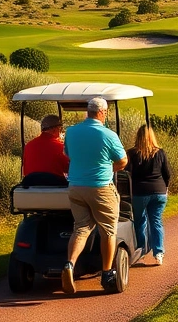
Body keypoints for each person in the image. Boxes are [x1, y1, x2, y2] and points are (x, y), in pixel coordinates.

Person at [61, 97, 127, 294]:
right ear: (102, 113)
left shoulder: (71, 132)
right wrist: (109, 168)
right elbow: (123, 161)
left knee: (81, 228)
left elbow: (68, 154)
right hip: (100, 188)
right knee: (108, 230)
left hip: (75, 187)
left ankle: (70, 265)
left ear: (87, 112)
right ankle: (107, 273)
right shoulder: (108, 135)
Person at [126, 124, 171, 265]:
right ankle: (159, 253)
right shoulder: (160, 152)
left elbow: (128, 174)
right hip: (159, 191)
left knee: (139, 222)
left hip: (139, 192)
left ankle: (141, 251)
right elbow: (167, 173)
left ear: (138, 137)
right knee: (156, 221)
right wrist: (166, 187)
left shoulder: (132, 153)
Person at [22, 114, 69, 182]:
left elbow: (25, 171)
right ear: (54, 129)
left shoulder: (28, 146)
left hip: (31, 185)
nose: (61, 132)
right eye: (60, 129)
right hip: (55, 186)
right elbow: (67, 169)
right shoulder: (60, 146)